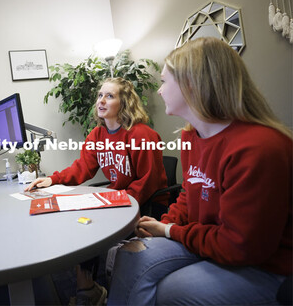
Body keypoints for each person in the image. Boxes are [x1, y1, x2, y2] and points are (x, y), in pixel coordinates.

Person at [107, 37, 292, 305]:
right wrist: (166, 223)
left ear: (191, 84)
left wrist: (169, 232)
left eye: (163, 81)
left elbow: (239, 246)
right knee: (130, 254)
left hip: (268, 265)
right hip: (211, 241)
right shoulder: (190, 136)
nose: (159, 91)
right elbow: (189, 193)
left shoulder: (258, 147)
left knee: (172, 289)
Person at [26, 77, 168, 305]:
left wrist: (116, 199)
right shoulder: (97, 135)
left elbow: (148, 181)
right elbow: (82, 168)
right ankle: (88, 290)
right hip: (121, 199)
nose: (101, 101)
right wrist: (52, 179)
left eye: (110, 96)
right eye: (100, 95)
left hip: (149, 204)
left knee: (92, 221)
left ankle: (90, 292)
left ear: (125, 102)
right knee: (82, 223)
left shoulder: (141, 135)